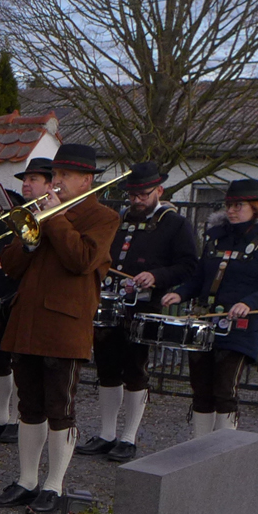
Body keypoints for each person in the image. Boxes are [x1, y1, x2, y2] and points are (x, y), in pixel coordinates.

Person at [0, 144, 118, 514]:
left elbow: (80, 260)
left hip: (65, 324)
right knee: (29, 405)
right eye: (55, 176)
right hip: (28, 320)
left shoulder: (102, 216)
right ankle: (27, 479)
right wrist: (30, 236)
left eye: (63, 176)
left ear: (86, 180)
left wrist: (54, 219)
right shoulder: (41, 213)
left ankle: (54, 484)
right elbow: (10, 265)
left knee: (59, 407)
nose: (56, 182)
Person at [76, 162, 198, 461]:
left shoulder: (175, 224)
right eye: (132, 195)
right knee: (106, 369)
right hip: (111, 301)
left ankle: (128, 437)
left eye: (142, 195)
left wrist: (157, 276)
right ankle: (106, 433)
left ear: (159, 191)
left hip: (144, 304)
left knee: (135, 370)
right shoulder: (120, 220)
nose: (136, 201)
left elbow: (189, 265)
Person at [162, 178, 258, 436]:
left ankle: (223, 450)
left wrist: (250, 302)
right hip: (205, 323)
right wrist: (180, 293)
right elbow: (199, 278)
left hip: (239, 328)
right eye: (229, 204)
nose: (231, 210)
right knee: (201, 390)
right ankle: (200, 446)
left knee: (224, 390)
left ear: (256, 207)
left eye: (238, 205)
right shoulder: (216, 239)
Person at [0, 159, 52, 443]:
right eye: (25, 179)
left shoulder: (53, 214)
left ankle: (17, 418)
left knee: (20, 360)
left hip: (25, 294)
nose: (27, 184)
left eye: (35, 179)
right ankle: (0, 416)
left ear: (49, 185)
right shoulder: (15, 210)